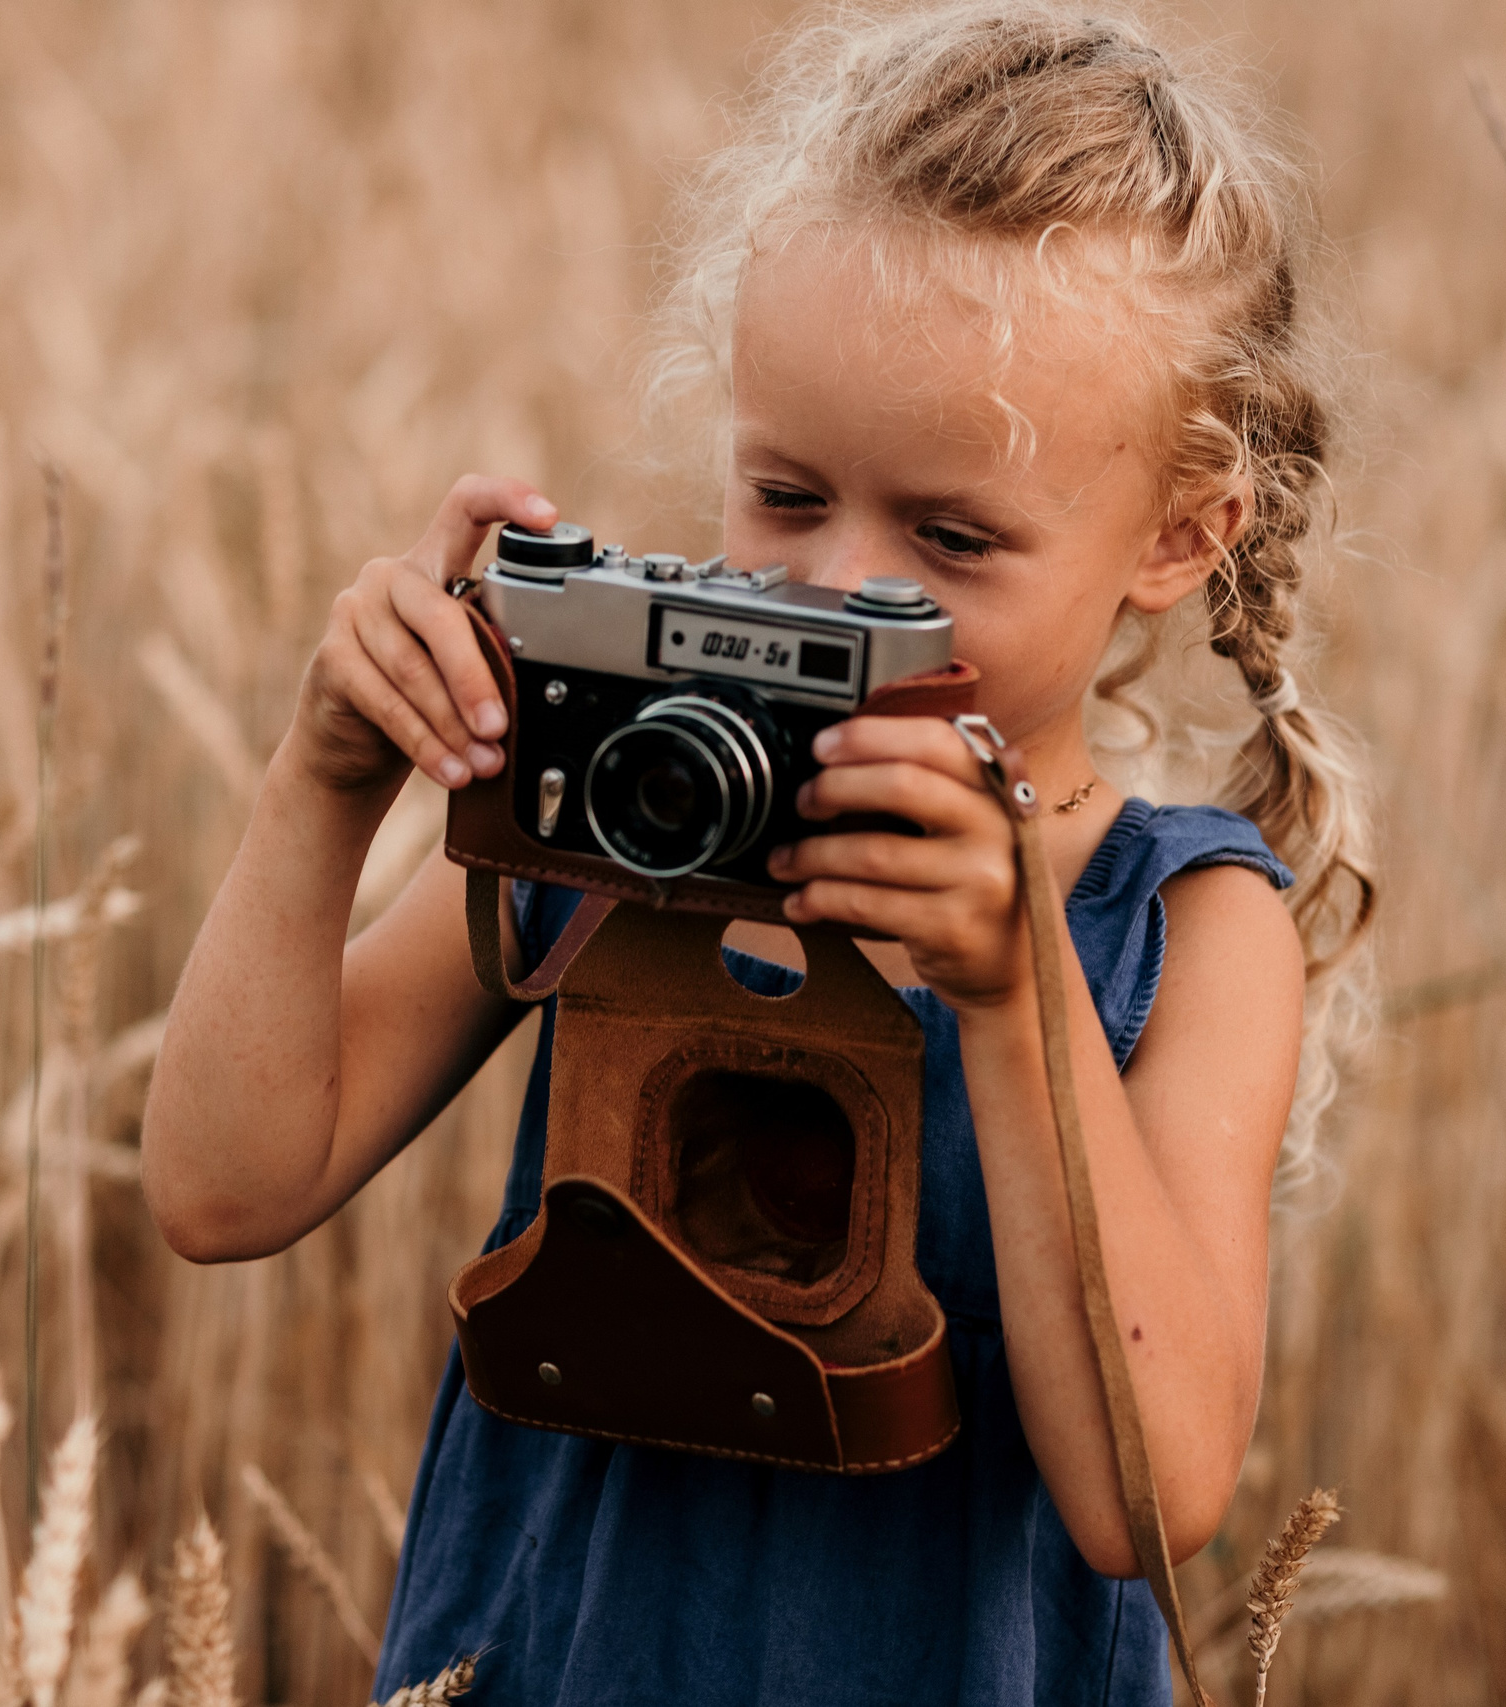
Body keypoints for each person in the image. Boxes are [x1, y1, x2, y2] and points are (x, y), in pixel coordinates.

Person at [140, 3, 1376, 1700]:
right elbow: (223, 1185)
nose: (837, 585)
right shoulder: (629, 797)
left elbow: (1148, 1502)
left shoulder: (1184, 922)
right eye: (786, 497)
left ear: (1178, 535)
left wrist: (1013, 993)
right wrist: (326, 779)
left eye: (950, 537)